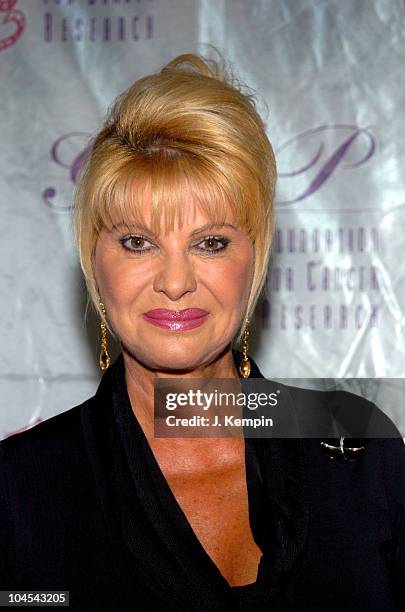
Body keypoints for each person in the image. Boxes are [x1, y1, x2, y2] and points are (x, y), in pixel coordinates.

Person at [1, 53, 405, 612]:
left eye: (210, 242)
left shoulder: (358, 448)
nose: (174, 282)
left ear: (255, 259)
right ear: (95, 262)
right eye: (137, 242)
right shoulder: (21, 490)